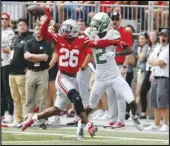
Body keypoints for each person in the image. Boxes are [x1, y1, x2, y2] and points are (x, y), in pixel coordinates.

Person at [21, 8, 123, 141]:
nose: (63, 31)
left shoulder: (81, 40)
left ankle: (33, 118)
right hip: (62, 77)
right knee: (76, 98)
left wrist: (114, 42)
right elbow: (45, 33)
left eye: (66, 29)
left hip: (73, 77)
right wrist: (47, 19)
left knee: (56, 110)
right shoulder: (58, 39)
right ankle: (89, 125)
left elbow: (97, 43)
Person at [81, 12, 143, 132]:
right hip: (100, 78)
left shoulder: (113, 34)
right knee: (90, 107)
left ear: (103, 25)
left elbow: (129, 49)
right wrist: (112, 43)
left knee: (131, 101)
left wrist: (116, 53)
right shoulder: (90, 34)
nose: (94, 27)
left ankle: (134, 116)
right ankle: (81, 125)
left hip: (114, 76)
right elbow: (89, 44)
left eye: (97, 24)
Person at [24, 20, 52, 129]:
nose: (39, 31)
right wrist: (37, 56)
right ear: (34, 30)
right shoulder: (29, 42)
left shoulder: (47, 43)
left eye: (41, 29)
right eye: (37, 29)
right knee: (29, 97)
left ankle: (42, 120)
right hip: (31, 72)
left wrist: (32, 56)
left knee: (42, 97)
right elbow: (26, 56)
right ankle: (29, 118)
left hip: (42, 72)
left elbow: (45, 57)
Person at [7, 19, 33, 127]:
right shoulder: (15, 38)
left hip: (22, 73)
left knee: (24, 98)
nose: (21, 27)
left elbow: (33, 53)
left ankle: (26, 119)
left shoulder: (30, 39)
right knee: (15, 98)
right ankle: (18, 119)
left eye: (23, 25)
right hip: (12, 73)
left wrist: (29, 67)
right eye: (20, 25)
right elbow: (11, 51)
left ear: (27, 27)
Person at [109, 12, 133, 128]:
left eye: (116, 19)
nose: (114, 21)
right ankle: (112, 119)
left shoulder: (125, 32)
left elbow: (129, 50)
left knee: (120, 94)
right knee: (110, 94)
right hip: (109, 65)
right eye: (113, 19)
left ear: (120, 20)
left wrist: (124, 66)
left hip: (119, 65)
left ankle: (121, 120)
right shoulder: (107, 32)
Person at [144, 29, 169, 132]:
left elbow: (161, 62)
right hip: (156, 77)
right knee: (155, 101)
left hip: (164, 78)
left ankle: (166, 124)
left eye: (165, 36)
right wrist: (156, 63)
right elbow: (149, 60)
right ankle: (156, 123)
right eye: (162, 36)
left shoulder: (168, 49)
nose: (163, 38)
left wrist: (155, 62)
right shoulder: (158, 47)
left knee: (163, 102)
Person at [139, 30, 159, 119]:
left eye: (154, 35)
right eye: (151, 35)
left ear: (157, 36)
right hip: (148, 70)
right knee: (142, 91)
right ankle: (143, 113)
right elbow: (142, 58)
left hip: (157, 71)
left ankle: (158, 115)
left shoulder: (159, 46)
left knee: (156, 94)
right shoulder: (147, 46)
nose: (152, 37)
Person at [1, 13, 15, 124]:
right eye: (2, 18)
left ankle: (10, 113)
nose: (4, 20)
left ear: (9, 20)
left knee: (7, 90)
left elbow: (12, 49)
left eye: (6, 19)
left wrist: (4, 49)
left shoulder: (10, 33)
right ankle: (1, 114)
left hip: (6, 63)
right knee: (1, 91)